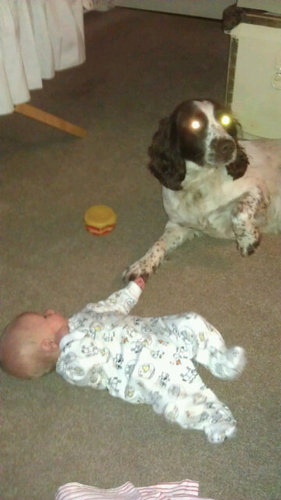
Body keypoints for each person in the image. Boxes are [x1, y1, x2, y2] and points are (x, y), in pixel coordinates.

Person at [0, 277, 246, 443]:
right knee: (178, 396)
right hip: (145, 371)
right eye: (45, 317)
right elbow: (86, 364)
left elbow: (112, 306)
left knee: (189, 322)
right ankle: (214, 418)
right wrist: (67, 341)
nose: (51, 311)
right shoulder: (69, 364)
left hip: (154, 331)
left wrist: (133, 290)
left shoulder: (83, 315)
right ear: (49, 344)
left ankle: (219, 358)